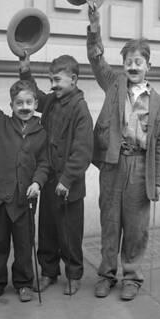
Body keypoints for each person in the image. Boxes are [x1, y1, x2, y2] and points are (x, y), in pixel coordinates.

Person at [87, 4, 160, 301]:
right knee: (110, 221)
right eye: (128, 62)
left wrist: (157, 180)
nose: (133, 67)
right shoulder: (114, 84)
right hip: (112, 163)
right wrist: (94, 26)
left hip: (139, 167)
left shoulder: (159, 103)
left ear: (149, 66)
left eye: (138, 62)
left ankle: (132, 276)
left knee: (135, 226)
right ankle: (107, 274)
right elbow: (96, 59)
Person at [19, 54, 93, 295]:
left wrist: (67, 179)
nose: (52, 85)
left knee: (70, 233)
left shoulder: (81, 109)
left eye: (57, 79)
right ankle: (48, 271)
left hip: (68, 187)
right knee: (48, 231)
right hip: (49, 182)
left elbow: (83, 151)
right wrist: (25, 72)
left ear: (73, 79)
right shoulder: (51, 101)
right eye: (50, 79)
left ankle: (74, 274)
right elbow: (36, 97)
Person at [0, 69, 49, 304]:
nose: (25, 107)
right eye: (19, 103)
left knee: (23, 244)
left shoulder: (41, 132)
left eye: (29, 102)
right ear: (11, 105)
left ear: (36, 103)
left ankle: (24, 283)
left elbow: (44, 164)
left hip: (24, 200)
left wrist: (38, 183)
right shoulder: (1, 123)